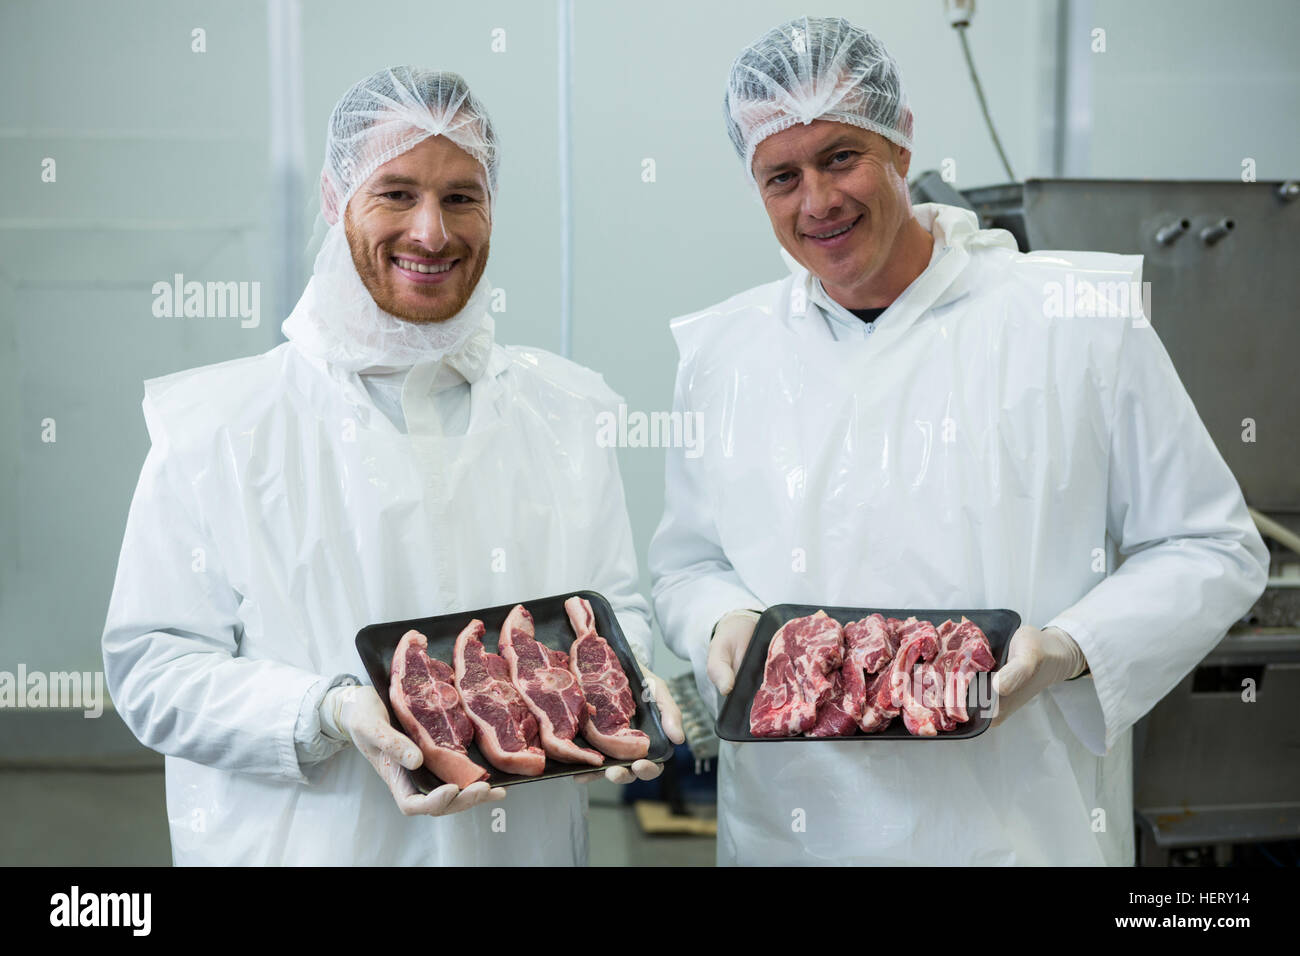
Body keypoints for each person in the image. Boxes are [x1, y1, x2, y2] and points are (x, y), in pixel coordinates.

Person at [647, 17, 1268, 865]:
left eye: (840, 157)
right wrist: (723, 619)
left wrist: (1069, 650)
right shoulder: (726, 356)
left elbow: (1211, 546)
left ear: (901, 145)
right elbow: (688, 564)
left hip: (1016, 830)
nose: (817, 202)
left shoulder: (1073, 322)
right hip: (793, 829)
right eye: (780, 176)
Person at [103, 67, 682, 866]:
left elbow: (613, 610)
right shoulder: (222, 428)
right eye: (396, 193)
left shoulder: (564, 413)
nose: (431, 233)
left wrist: (623, 684)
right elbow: (153, 668)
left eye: (461, 198)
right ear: (337, 199)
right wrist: (325, 710)